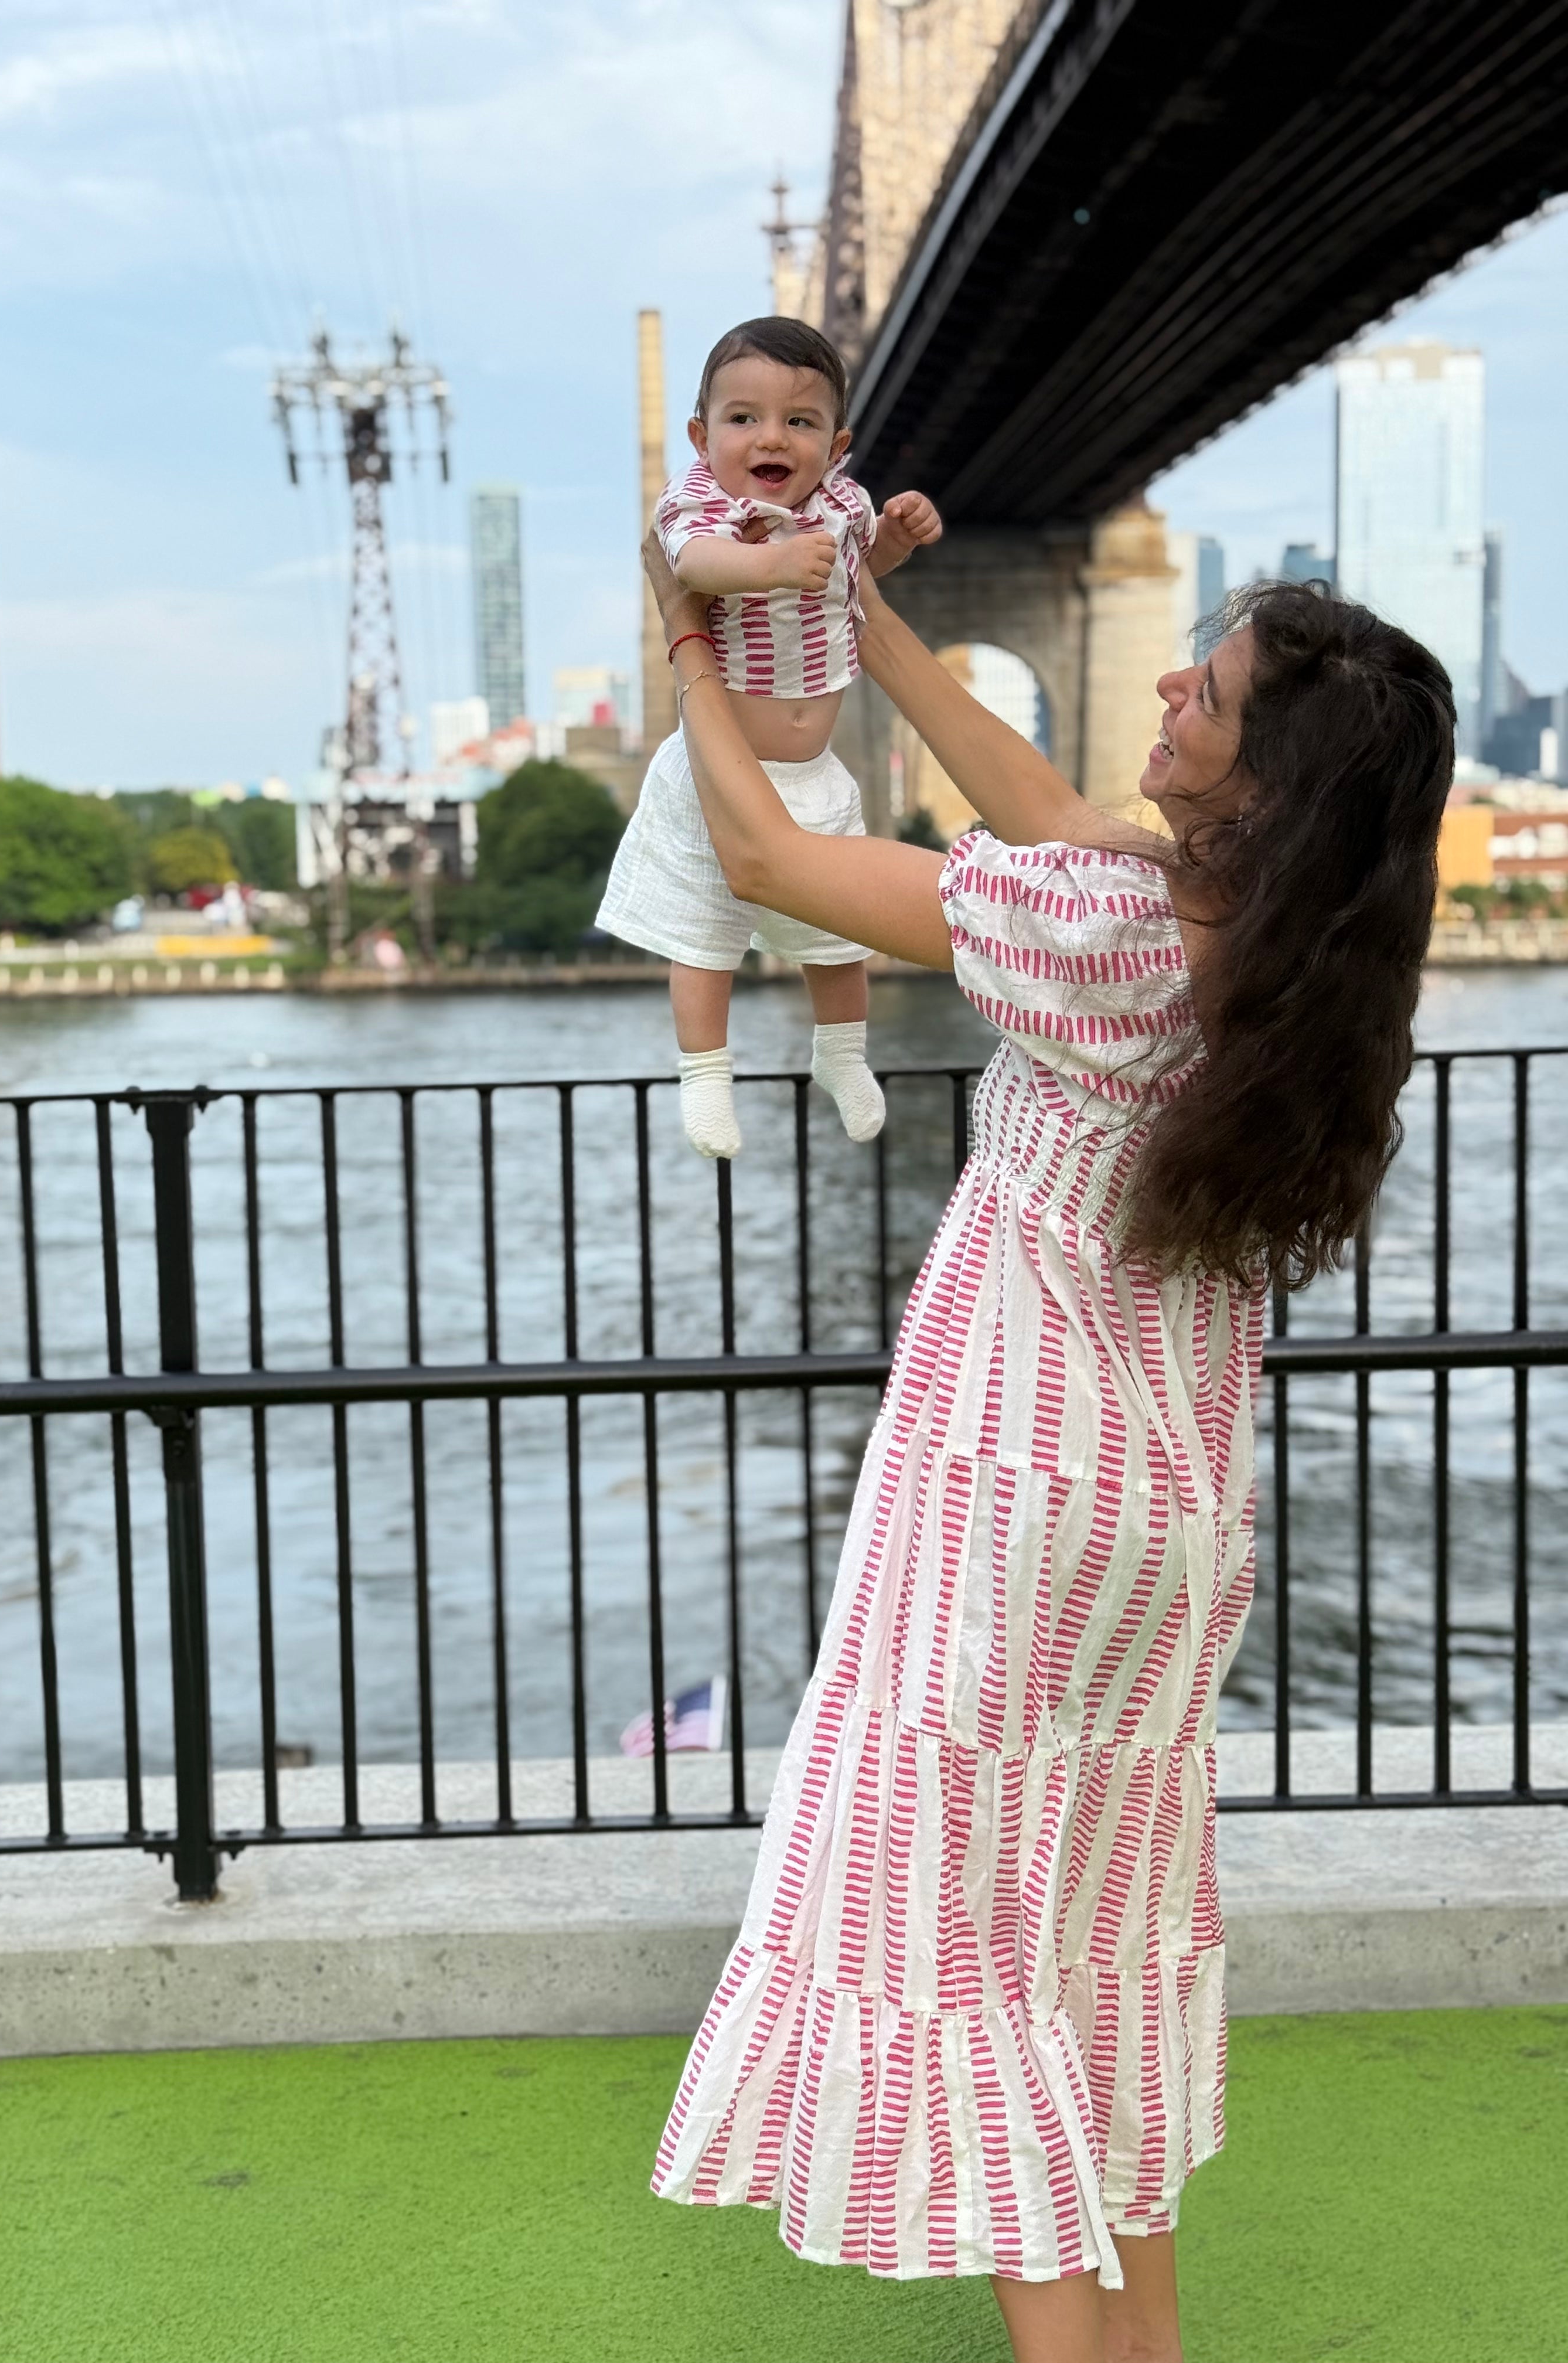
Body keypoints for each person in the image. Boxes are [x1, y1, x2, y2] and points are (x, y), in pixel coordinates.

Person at [642, 540, 1454, 2363]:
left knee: (962, 1938)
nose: (1170, 687)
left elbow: (774, 865)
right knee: (1094, 1929)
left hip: (1014, 1489)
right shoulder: (1281, 959)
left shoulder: (1106, 940)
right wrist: (856, 623)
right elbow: (1049, 811)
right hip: (1167, 1516)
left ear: (1271, 775)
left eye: (1212, 691)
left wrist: (692, 647)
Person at [595, 317, 941, 1159]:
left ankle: (841, 1056)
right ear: (702, 435)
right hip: (718, 768)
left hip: (813, 770)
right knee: (704, 935)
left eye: (800, 422)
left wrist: (893, 539)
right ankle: (706, 1075)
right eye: (743, 419)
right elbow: (695, 569)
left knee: (840, 933)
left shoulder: (844, 506)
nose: (770, 438)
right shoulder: (698, 502)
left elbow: (858, 577)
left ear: (838, 442)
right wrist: (771, 567)